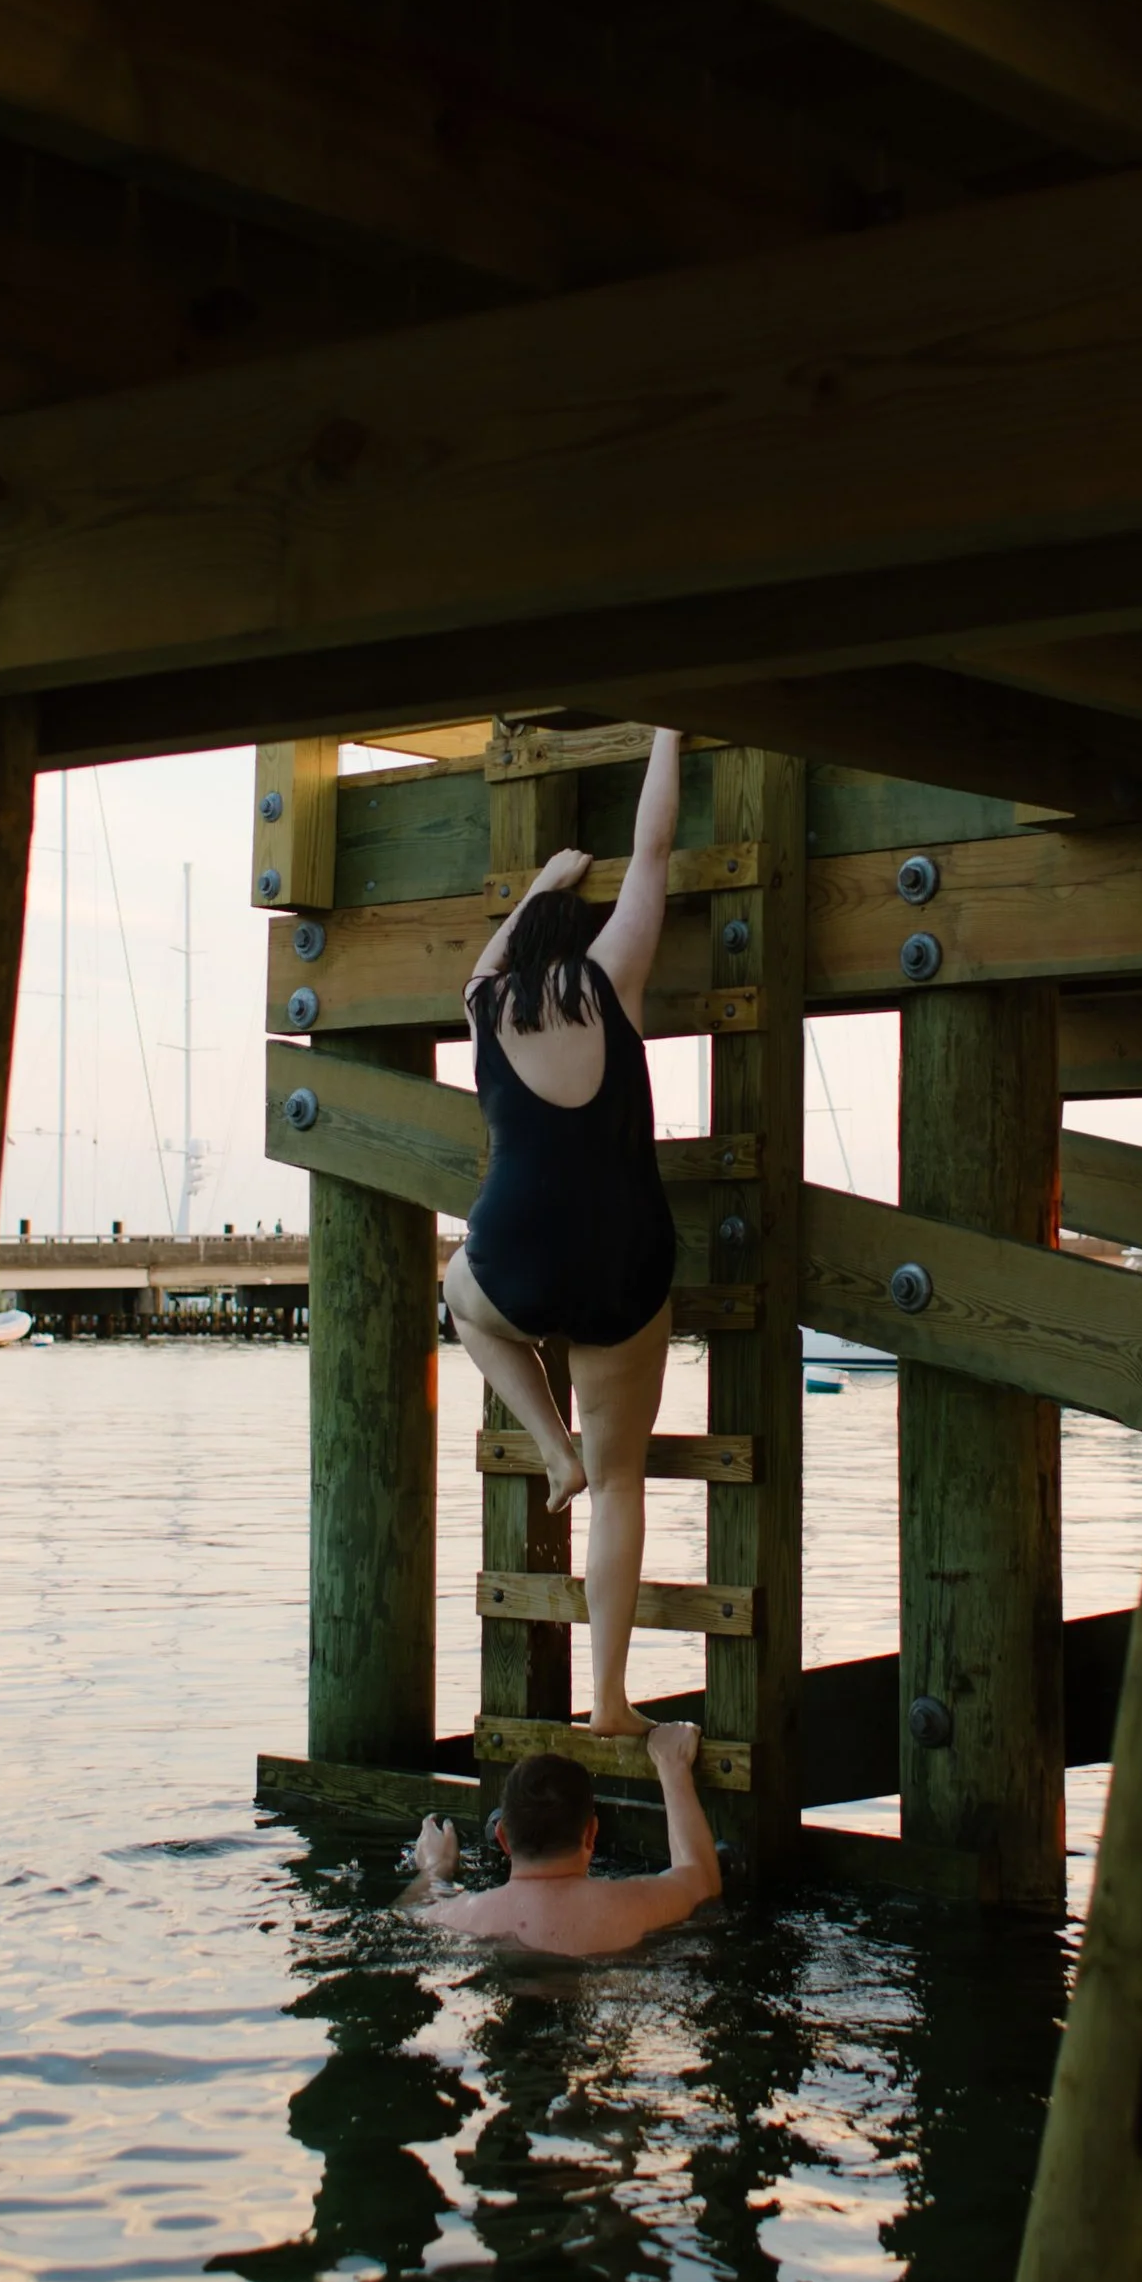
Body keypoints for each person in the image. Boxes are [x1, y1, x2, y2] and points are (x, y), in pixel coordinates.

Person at [443, 725, 681, 1737]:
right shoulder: (611, 979)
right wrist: (668, 730)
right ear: (577, 943)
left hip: (516, 1256)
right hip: (625, 1260)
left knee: (465, 1298)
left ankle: (549, 1447)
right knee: (624, 1481)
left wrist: (542, 878)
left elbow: (486, 962)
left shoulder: (485, 1003)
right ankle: (613, 1701)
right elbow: (655, 850)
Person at [406, 1723, 719, 1952]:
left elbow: (406, 1915)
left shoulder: (456, 1915)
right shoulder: (634, 1906)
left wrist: (435, 1868)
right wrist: (673, 1767)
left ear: (502, 1837)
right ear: (591, 1834)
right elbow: (701, 1879)